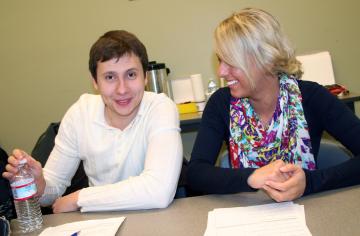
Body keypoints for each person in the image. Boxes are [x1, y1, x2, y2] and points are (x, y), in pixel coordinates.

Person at [187, 8, 360, 202]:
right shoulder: (221, 103)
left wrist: (309, 182)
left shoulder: (312, 97)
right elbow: (196, 173)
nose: (220, 71)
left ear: (265, 59)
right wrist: (251, 177)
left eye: (230, 61)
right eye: (220, 60)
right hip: (246, 216)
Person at [3, 30, 183, 213]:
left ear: (145, 77)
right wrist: (39, 183)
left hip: (156, 220)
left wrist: (80, 198)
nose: (122, 89)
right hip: (101, 224)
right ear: (95, 82)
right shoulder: (80, 114)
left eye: (131, 75)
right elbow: (52, 192)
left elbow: (158, 191)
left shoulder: (161, 107)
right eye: (110, 77)